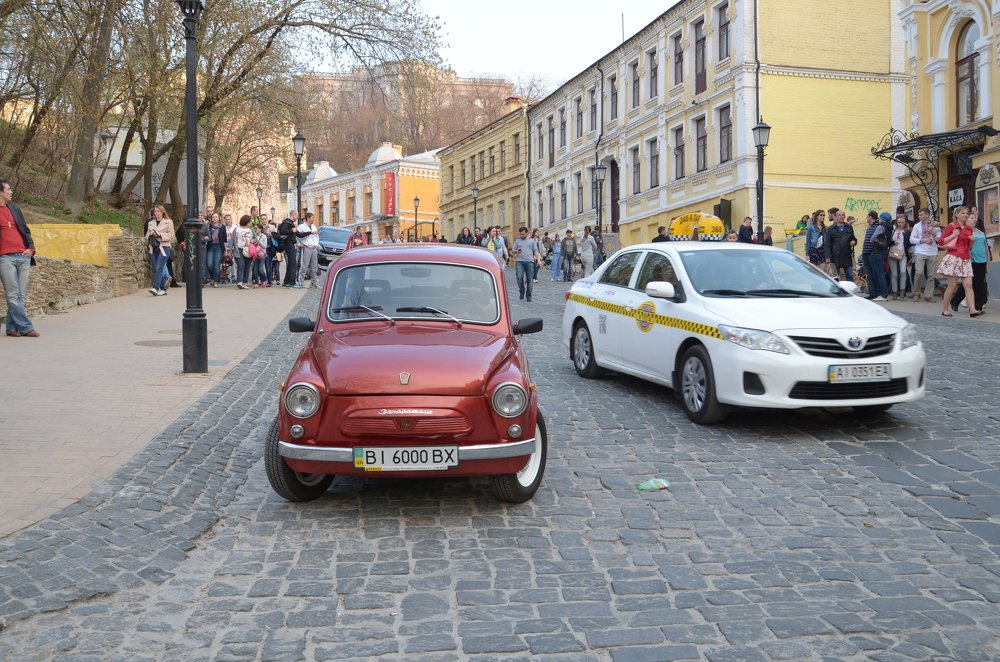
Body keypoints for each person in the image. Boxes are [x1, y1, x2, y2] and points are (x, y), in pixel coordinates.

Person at [0, 179, 39, 336]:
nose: (11, 192)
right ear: (0, 192)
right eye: (8, 189)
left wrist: (31, 248)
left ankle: (11, 328)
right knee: (12, 295)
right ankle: (26, 327)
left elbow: (26, 230)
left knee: (20, 295)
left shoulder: (15, 210)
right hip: (5, 258)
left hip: (23, 256)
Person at [938, 206, 981, 317]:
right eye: (963, 213)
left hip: (965, 258)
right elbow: (941, 241)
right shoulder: (951, 226)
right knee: (952, 285)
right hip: (954, 257)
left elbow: (969, 247)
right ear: (956, 214)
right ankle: (945, 309)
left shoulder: (969, 228)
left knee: (969, 285)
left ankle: (973, 310)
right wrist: (953, 235)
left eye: (966, 213)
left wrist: (972, 242)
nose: (965, 215)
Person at [950, 207, 990, 313]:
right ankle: (975, 307)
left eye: (974, 218)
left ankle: (957, 302)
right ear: (966, 220)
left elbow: (985, 246)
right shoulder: (965, 232)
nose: (974, 220)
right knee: (971, 284)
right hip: (971, 261)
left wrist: (988, 261)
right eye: (971, 218)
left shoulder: (980, 232)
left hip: (982, 261)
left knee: (977, 283)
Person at [908, 207, 940, 302]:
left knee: (931, 275)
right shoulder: (916, 226)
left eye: (921, 215)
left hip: (932, 252)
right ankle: (916, 293)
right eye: (919, 214)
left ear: (927, 215)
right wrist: (922, 240)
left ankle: (928, 295)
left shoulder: (935, 225)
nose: (919, 216)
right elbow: (911, 239)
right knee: (918, 273)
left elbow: (940, 239)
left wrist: (934, 234)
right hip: (920, 251)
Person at [145, 205, 176, 296]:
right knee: (156, 268)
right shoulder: (151, 223)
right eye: (155, 211)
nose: (156, 213)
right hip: (153, 248)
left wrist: (159, 234)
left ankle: (155, 288)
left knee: (159, 267)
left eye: (158, 211)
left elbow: (172, 236)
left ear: (162, 212)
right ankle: (163, 289)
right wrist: (150, 234)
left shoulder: (168, 222)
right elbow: (146, 237)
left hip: (164, 247)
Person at [825, 209, 857, 281]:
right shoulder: (830, 229)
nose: (841, 217)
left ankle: (849, 288)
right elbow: (827, 244)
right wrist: (827, 256)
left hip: (847, 256)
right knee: (835, 278)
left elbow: (854, 239)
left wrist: (853, 242)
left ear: (845, 217)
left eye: (843, 215)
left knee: (850, 276)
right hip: (835, 256)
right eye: (839, 215)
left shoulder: (849, 227)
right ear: (835, 217)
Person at [512, 226, 540, 301]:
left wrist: (538, 259)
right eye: (520, 234)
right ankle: (522, 291)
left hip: (529, 261)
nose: (521, 235)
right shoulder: (517, 241)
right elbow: (513, 250)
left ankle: (529, 295)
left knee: (530, 279)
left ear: (527, 233)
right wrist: (517, 251)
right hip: (519, 261)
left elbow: (535, 251)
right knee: (519, 277)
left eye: (523, 234)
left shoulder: (532, 241)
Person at [887, 214, 910, 300]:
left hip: (903, 254)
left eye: (902, 222)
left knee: (903, 271)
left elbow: (909, 243)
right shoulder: (893, 230)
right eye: (899, 222)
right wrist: (893, 242)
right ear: (896, 222)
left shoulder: (907, 232)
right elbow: (887, 241)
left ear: (905, 223)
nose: (900, 224)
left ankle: (902, 292)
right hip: (893, 253)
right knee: (894, 274)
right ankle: (895, 292)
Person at [296, 213, 320, 289]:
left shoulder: (314, 227)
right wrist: (299, 244)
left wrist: (316, 244)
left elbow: (317, 236)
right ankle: (300, 282)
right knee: (304, 265)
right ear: (308, 218)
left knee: (314, 266)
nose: (313, 219)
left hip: (314, 248)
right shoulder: (301, 227)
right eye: (312, 217)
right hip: (306, 247)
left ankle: (314, 283)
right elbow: (296, 235)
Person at [231, 215, 254, 290]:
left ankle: (245, 282)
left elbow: (255, 238)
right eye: (250, 221)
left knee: (247, 266)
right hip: (239, 250)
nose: (251, 222)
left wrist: (253, 241)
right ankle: (239, 282)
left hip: (248, 250)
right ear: (246, 221)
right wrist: (230, 250)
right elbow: (232, 240)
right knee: (241, 265)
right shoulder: (236, 229)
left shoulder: (251, 230)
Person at [204, 212, 226, 286]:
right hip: (210, 246)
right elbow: (205, 234)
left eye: (216, 217)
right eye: (213, 217)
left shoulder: (222, 227)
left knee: (216, 265)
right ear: (211, 218)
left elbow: (225, 239)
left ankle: (216, 281)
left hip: (219, 247)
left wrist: (226, 250)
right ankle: (212, 277)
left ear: (219, 218)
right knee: (209, 264)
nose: (215, 218)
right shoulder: (208, 226)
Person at [278, 212, 299, 287]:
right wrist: (291, 230)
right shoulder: (287, 222)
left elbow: (298, 234)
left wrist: (309, 232)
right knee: (293, 263)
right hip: (288, 244)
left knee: (291, 263)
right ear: (293, 215)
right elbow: (283, 231)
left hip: (291, 244)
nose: (297, 217)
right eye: (297, 215)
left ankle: (287, 282)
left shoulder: (291, 223)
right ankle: (291, 282)